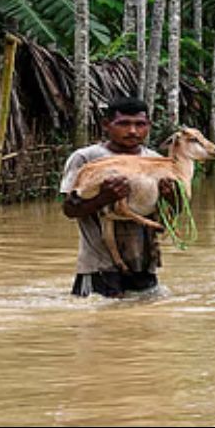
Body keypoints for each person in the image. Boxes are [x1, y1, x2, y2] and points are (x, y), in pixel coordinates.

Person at [60, 97, 177, 298]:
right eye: (124, 124)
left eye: (140, 124)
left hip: (144, 265)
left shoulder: (156, 161)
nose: (132, 131)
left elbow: (171, 213)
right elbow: (70, 209)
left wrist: (172, 196)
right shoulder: (87, 158)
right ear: (107, 125)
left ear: (148, 126)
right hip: (98, 266)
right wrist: (103, 198)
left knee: (145, 324)